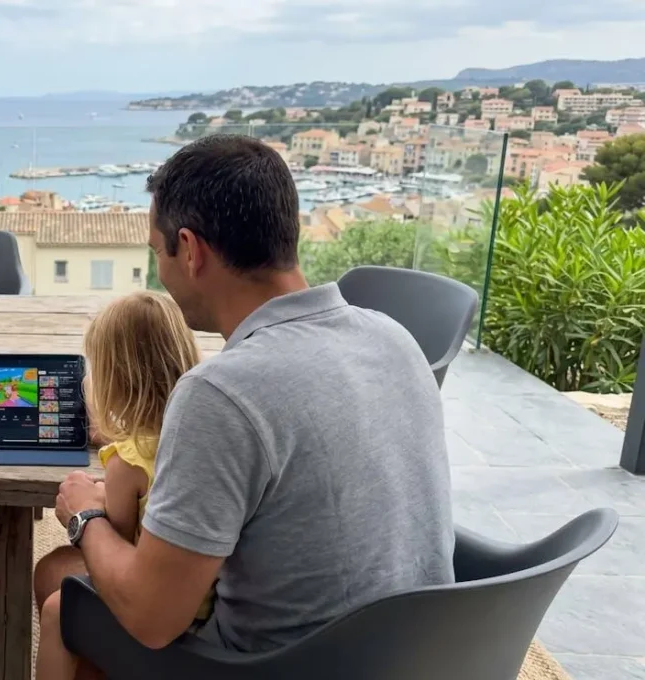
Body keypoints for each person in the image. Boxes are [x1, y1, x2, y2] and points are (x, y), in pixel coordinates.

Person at [41, 134, 453, 672]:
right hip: (419, 653)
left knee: (58, 585)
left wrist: (86, 516)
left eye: (156, 252)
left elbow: (151, 616)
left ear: (190, 251)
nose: (159, 273)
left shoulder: (222, 393)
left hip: (274, 665)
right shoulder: (393, 338)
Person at [34, 291, 202, 680]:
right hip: (204, 596)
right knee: (53, 568)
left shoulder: (126, 465)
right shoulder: (193, 434)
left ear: (116, 380)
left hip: (164, 612)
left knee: (58, 607)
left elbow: (116, 548)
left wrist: (91, 506)